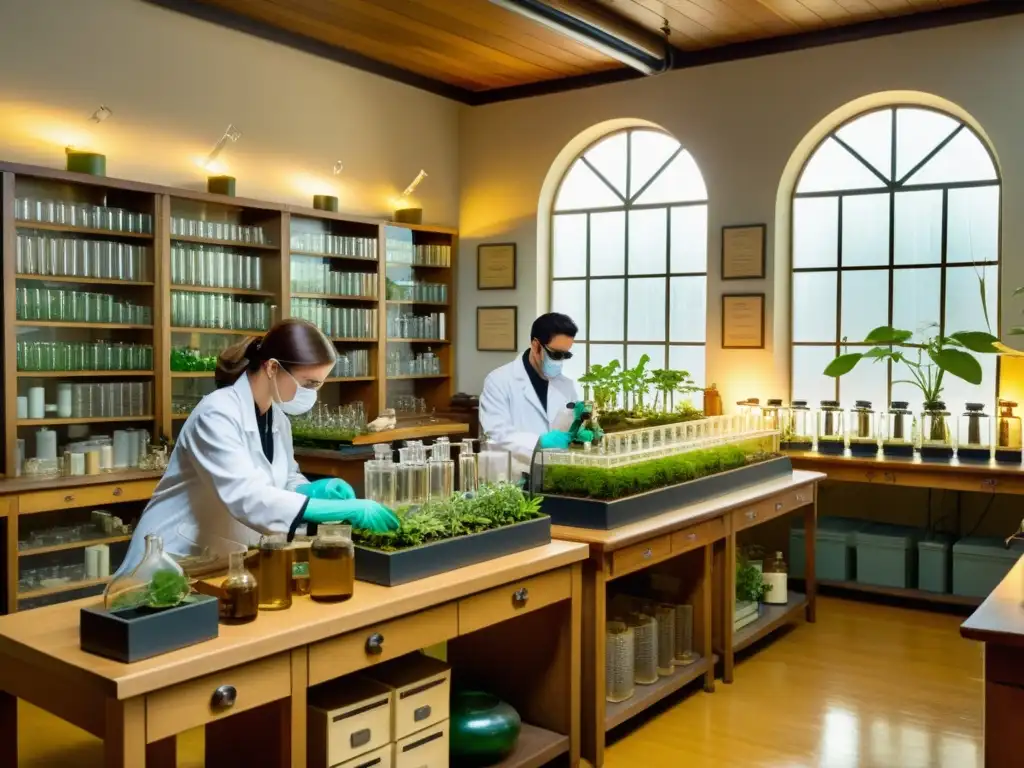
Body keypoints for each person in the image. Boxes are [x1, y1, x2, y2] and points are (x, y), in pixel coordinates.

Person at [118, 319, 398, 573]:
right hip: (170, 556)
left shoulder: (276, 417)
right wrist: (345, 510)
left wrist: (310, 489)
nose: (312, 393)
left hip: (217, 556)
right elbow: (247, 497)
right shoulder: (217, 414)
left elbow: (282, 478)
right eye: (309, 383)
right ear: (272, 367)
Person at [479, 312, 580, 477]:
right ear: (536, 345)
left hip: (553, 476)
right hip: (512, 477)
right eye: (555, 354)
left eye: (565, 355)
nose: (559, 361)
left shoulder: (566, 385)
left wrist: (581, 430)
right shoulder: (499, 381)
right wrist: (540, 442)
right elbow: (497, 433)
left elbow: (569, 430)